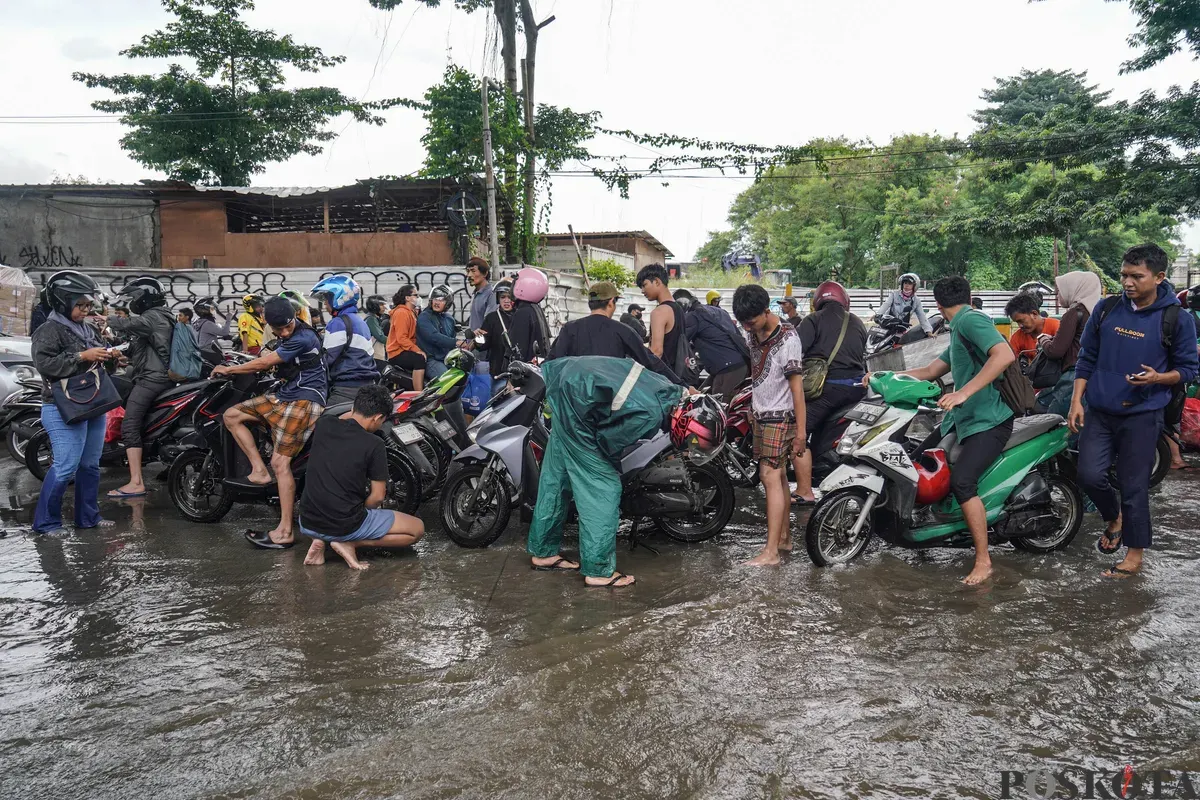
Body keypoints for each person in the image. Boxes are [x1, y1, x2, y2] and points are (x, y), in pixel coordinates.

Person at [526, 356, 717, 587]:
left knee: (557, 478)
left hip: (568, 382)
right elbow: (608, 442)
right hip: (577, 400)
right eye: (693, 441)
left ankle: (544, 551)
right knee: (603, 487)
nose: (689, 447)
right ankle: (598, 571)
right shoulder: (650, 414)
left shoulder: (670, 391)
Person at [1069, 244, 1199, 578]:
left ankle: (1134, 555)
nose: (1127, 282)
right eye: (1124, 275)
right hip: (1100, 410)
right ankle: (1114, 518)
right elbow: (1087, 358)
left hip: (1142, 414)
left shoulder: (1176, 319)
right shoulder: (1107, 309)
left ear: (1159, 277)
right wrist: (1076, 401)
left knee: (1134, 485)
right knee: (1088, 475)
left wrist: (1159, 378)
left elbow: (1188, 369)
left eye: (1137, 276)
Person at [876, 275, 1016, 585]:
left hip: (989, 421)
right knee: (913, 458)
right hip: (961, 419)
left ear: (937, 305)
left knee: (963, 482)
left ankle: (983, 561)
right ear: (968, 295)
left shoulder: (971, 320)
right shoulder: (957, 329)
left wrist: (963, 392)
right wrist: (884, 375)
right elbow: (929, 371)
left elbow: (1004, 355)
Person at [212, 297, 328, 549]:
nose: (284, 332)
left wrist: (229, 370)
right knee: (232, 415)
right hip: (286, 396)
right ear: (267, 323)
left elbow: (265, 362)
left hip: (305, 399)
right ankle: (259, 471)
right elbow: (269, 358)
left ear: (295, 318)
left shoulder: (304, 337)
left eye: (288, 326)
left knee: (280, 463)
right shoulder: (287, 336)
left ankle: (285, 532)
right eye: (279, 329)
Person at [299, 385, 425, 570]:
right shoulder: (375, 444)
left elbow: (345, 418)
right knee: (417, 529)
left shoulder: (324, 424)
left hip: (307, 521)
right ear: (377, 418)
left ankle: (320, 542)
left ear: (353, 407)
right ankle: (350, 543)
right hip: (343, 525)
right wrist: (360, 513)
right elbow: (378, 497)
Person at [30, 271, 117, 536]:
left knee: (90, 464)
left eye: (88, 305)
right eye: (80, 305)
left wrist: (111, 357)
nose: (85, 310)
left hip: (92, 403)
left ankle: (88, 518)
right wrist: (82, 356)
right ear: (62, 302)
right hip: (61, 407)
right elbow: (45, 365)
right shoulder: (48, 330)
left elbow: (101, 364)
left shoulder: (88, 329)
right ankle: (46, 523)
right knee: (66, 465)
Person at [733, 284, 806, 567]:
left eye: (751, 322)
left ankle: (771, 552)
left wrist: (801, 433)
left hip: (781, 415)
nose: (747, 327)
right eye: (743, 322)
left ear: (766, 311)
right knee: (779, 478)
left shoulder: (788, 338)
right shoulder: (752, 333)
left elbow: (797, 390)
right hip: (762, 413)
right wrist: (753, 408)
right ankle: (783, 539)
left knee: (769, 476)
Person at [792, 281, 868, 504]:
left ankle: (804, 491)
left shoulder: (813, 320)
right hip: (857, 390)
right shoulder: (857, 322)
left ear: (818, 301)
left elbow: (794, 350)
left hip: (827, 390)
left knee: (796, 433)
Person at [106, 277, 176, 500]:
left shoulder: (152, 316)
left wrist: (104, 318)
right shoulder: (163, 315)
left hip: (152, 379)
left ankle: (136, 482)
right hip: (157, 376)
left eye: (133, 298)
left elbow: (127, 324)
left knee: (129, 426)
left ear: (143, 298)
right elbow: (144, 347)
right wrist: (123, 355)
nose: (131, 303)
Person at [549, 281, 686, 385]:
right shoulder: (623, 331)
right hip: (611, 402)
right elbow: (651, 362)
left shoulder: (569, 329)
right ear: (611, 302)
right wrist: (682, 385)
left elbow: (552, 362)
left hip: (575, 400)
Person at [1035, 272, 1101, 417]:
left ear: (1074, 289)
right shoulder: (1099, 312)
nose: (1058, 296)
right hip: (1095, 375)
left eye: (1059, 292)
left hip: (1073, 376)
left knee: (1053, 419)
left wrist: (1043, 339)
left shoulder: (1075, 313)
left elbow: (1055, 351)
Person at [310, 276, 379, 405]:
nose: (325, 303)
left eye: (327, 298)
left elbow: (326, 359)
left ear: (339, 298)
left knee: (322, 417)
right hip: (365, 384)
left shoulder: (338, 323)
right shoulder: (358, 320)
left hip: (346, 387)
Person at [673, 289, 750, 401]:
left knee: (716, 405)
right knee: (698, 399)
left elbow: (679, 341)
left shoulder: (693, 316)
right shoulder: (718, 311)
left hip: (727, 369)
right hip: (737, 363)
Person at [479, 281, 547, 394]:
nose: (506, 301)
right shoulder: (492, 318)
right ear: (498, 299)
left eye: (509, 297)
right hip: (499, 372)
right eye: (502, 297)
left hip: (522, 373)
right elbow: (483, 344)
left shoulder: (523, 315)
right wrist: (478, 339)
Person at [637, 263, 687, 376]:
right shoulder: (678, 308)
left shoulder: (659, 312)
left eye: (644, 285)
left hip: (664, 377)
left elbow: (656, 352)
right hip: (678, 375)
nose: (642, 291)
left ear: (656, 281)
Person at [466, 257, 499, 394]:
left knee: (482, 392)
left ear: (485, 273)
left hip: (483, 351)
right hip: (472, 349)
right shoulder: (476, 293)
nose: (469, 275)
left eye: (473, 271)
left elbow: (488, 325)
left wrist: (473, 344)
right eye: (468, 271)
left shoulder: (491, 294)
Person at [417, 285, 461, 381]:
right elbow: (434, 337)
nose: (437, 302)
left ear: (448, 302)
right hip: (432, 360)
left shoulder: (449, 319)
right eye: (435, 299)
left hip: (447, 359)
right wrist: (455, 342)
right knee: (447, 380)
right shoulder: (424, 317)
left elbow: (452, 339)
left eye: (441, 300)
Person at [386, 285, 426, 391]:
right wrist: (418, 350)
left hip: (404, 349)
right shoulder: (402, 313)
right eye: (416, 295)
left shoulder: (411, 312)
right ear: (407, 298)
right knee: (419, 359)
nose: (418, 298)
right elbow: (402, 338)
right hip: (397, 352)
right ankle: (419, 393)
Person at [1005, 292, 1059, 362]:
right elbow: (1011, 361)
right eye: (1017, 322)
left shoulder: (1057, 327)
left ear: (1034, 313)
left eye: (1021, 321)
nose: (1020, 326)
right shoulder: (1017, 338)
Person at [876, 272, 933, 336]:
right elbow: (886, 304)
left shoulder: (916, 301)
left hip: (901, 330)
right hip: (887, 326)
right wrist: (878, 314)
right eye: (905, 283)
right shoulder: (894, 294)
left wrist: (928, 331)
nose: (906, 285)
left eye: (909, 283)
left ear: (914, 286)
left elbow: (922, 316)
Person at [191, 298, 227, 365]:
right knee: (224, 366)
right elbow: (224, 332)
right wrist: (229, 319)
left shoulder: (196, 322)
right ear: (204, 310)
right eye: (212, 308)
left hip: (199, 351)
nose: (214, 310)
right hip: (209, 352)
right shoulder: (208, 323)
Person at [364, 295, 390, 360]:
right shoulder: (371, 319)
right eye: (381, 305)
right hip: (374, 356)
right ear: (374, 306)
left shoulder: (373, 318)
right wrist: (396, 342)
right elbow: (380, 337)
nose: (384, 307)